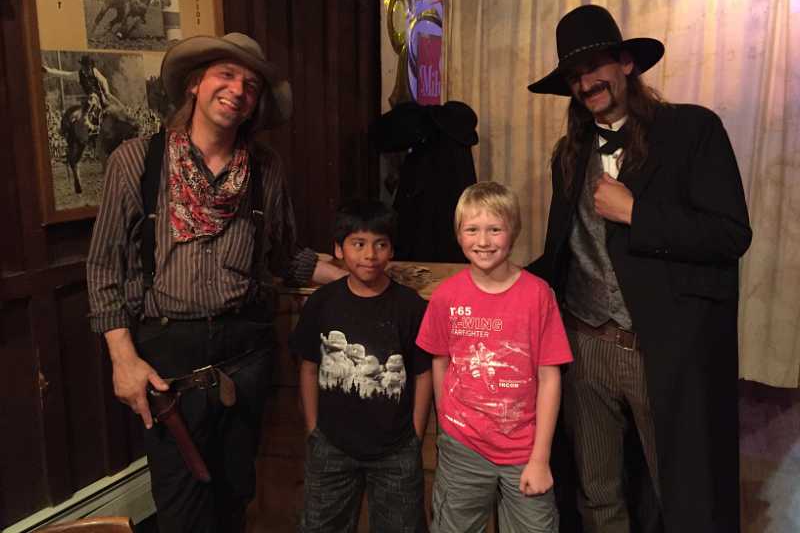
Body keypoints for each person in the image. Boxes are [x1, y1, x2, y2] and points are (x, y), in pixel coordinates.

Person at [86, 32, 346, 533]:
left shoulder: (265, 169)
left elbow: (284, 256)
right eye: (226, 75)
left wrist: (353, 274)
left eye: (251, 84)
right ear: (194, 84)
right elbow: (103, 268)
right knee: (181, 507)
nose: (238, 90)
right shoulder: (137, 161)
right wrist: (123, 360)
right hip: (168, 361)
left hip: (245, 355)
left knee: (235, 496)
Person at [526, 4, 752, 533]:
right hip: (584, 345)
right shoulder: (568, 154)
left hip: (660, 349)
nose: (586, 83)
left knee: (681, 492)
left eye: (595, 67)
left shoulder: (693, 130)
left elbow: (730, 235)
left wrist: (637, 213)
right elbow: (564, 251)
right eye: (574, 76)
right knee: (597, 492)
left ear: (626, 63)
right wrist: (494, 280)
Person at [416, 182, 573, 533]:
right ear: (458, 234)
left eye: (495, 229)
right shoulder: (445, 296)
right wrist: (447, 428)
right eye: (472, 229)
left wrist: (541, 457)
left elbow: (550, 376)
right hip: (462, 448)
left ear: (513, 232)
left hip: (525, 449)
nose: (483, 241)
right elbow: (440, 361)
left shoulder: (538, 295)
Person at [290, 199, 433, 533]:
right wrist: (313, 429)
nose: (370, 254)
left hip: (396, 449)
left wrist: (415, 434)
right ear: (338, 249)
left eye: (380, 244)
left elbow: (423, 373)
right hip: (331, 445)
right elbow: (308, 367)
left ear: (392, 249)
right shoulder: (322, 303)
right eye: (358, 244)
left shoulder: (410, 306)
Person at [42, 54, 124, 136]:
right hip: (92, 96)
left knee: (115, 105)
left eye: (87, 67)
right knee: (92, 101)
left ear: (91, 66)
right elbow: (65, 74)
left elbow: (103, 80)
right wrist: (48, 70)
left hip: (101, 94)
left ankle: (124, 115)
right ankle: (90, 125)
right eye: (84, 67)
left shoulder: (95, 72)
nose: (86, 69)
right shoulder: (78, 74)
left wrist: (106, 91)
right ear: (82, 66)